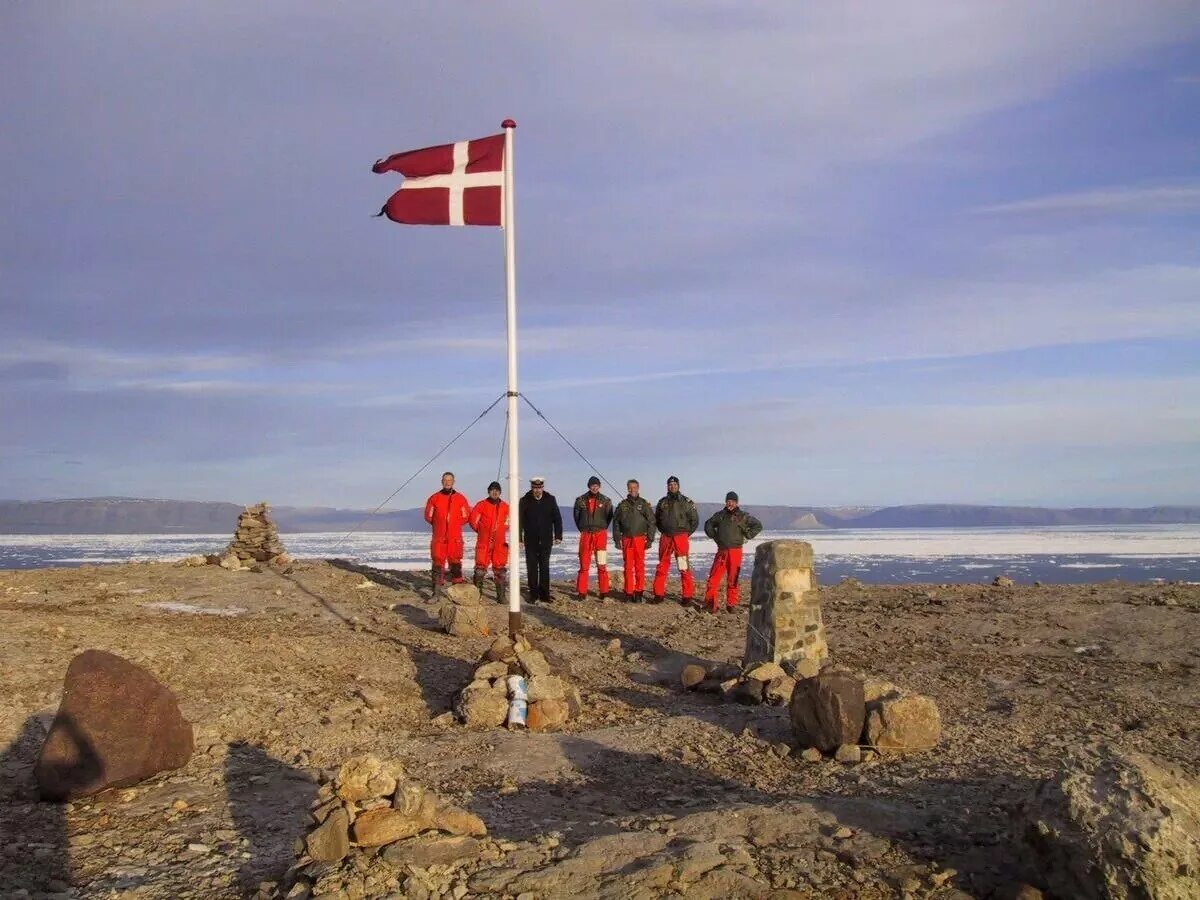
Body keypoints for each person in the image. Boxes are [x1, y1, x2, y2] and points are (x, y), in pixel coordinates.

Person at [702, 491, 763, 613]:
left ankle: (731, 604)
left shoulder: (743, 516)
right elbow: (708, 524)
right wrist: (714, 536)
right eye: (728, 501)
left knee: (733, 579)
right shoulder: (720, 515)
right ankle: (710, 604)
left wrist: (748, 535)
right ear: (726, 502)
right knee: (714, 578)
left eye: (733, 501)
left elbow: (758, 525)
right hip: (722, 551)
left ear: (736, 502)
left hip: (736, 551)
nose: (730, 503)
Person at [652, 475, 699, 606]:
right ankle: (658, 594)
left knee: (683, 566)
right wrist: (663, 530)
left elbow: (694, 520)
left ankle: (687, 596)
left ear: (678, 486)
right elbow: (657, 519)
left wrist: (685, 534)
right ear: (667, 486)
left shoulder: (686, 502)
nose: (672, 487)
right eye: (670, 485)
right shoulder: (662, 502)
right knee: (662, 565)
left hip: (680, 537)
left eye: (674, 485)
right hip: (666, 537)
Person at [423, 471, 471, 600]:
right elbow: (429, 516)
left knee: (455, 564)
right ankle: (436, 593)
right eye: (445, 480)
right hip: (439, 538)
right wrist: (440, 524)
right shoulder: (434, 498)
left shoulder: (461, 499)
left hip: (454, 538)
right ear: (441, 481)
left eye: (449, 480)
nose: (447, 482)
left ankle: (458, 594)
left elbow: (466, 516)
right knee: (437, 564)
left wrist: (454, 524)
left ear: (453, 482)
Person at [518, 476, 562, 604]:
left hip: (546, 540)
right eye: (535, 488)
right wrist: (519, 539)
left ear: (543, 487)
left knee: (544, 567)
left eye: (539, 488)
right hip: (530, 541)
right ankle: (533, 594)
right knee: (532, 567)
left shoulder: (550, 499)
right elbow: (519, 521)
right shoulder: (524, 501)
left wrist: (558, 535)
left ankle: (545, 594)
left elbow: (557, 518)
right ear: (531, 488)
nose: (537, 490)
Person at [612, 479, 656, 602]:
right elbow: (616, 523)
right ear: (628, 488)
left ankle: (639, 592)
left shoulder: (644, 504)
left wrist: (650, 539)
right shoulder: (622, 505)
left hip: (640, 539)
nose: (633, 489)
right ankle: (629, 592)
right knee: (628, 566)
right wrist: (617, 539)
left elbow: (652, 522)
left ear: (638, 488)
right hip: (627, 539)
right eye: (630, 487)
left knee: (639, 566)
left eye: (635, 487)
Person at [572, 476, 613, 601]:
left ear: (599, 486)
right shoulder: (580, 500)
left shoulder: (606, 500)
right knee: (584, 563)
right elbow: (576, 516)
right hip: (586, 535)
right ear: (589, 486)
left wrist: (602, 527)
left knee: (601, 563)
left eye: (596, 485)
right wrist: (583, 528)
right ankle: (582, 591)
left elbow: (609, 516)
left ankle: (604, 591)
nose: (594, 487)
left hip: (600, 535)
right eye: (592, 485)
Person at [469, 481, 510, 605]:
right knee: (480, 569)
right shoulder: (481, 505)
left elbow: (508, 522)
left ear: (500, 492)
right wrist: (482, 531)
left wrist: (501, 531)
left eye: (497, 490)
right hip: (484, 542)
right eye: (492, 490)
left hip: (499, 543)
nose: (495, 492)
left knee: (500, 570)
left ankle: (501, 597)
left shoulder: (505, 507)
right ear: (488, 491)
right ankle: (477, 595)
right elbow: (473, 520)